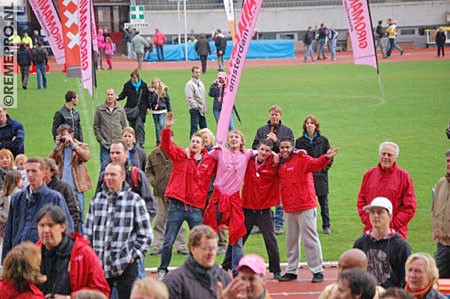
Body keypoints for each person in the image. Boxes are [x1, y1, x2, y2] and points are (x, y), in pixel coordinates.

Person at [157, 112, 215, 280]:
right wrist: (167, 128)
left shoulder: (209, 160)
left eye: (198, 141)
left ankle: (198, 269)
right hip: (177, 205)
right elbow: (167, 146)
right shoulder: (181, 156)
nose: (195, 143)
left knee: (200, 242)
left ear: (203, 144)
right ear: (189, 144)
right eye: (193, 141)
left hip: (195, 207)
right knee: (168, 241)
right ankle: (162, 270)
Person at [85, 162, 152, 299]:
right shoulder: (97, 200)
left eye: (113, 174)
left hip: (125, 265)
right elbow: (87, 232)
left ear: (122, 177)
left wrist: (133, 255)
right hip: (100, 265)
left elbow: (145, 234)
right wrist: (91, 256)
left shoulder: (135, 200)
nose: (109, 178)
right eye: (107, 175)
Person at [277, 138, 338, 283]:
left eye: (287, 147)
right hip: (289, 207)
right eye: (282, 148)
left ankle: (317, 270)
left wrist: (326, 157)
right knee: (291, 240)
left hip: (305, 205)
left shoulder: (301, 158)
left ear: (293, 147)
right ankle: (292, 270)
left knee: (310, 239)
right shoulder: (279, 161)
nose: (285, 150)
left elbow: (316, 164)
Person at [226, 138, 281, 279]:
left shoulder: (275, 164)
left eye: (267, 151)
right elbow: (236, 154)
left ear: (271, 152)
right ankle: (225, 265)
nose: (264, 153)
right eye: (262, 149)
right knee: (237, 238)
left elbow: (288, 153)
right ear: (258, 148)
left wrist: (278, 156)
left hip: (264, 210)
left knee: (270, 240)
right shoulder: (249, 160)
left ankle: (276, 271)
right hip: (248, 208)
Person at [203, 129, 255, 275]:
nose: (233, 139)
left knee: (237, 235)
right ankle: (208, 268)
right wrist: (212, 148)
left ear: (241, 141)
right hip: (218, 198)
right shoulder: (220, 152)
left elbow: (264, 153)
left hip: (234, 199)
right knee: (210, 233)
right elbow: (203, 156)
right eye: (231, 137)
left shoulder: (247, 154)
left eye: (236, 137)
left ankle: (237, 270)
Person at [2, 157, 74, 261]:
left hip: (44, 258)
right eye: (28, 171)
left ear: (43, 173)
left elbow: (67, 229)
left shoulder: (54, 198)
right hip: (18, 257)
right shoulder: (17, 198)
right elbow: (9, 231)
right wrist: (5, 260)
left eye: (34, 171)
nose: (30, 175)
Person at [36, 205, 110, 298]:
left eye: (51, 225)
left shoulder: (83, 253)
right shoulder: (32, 254)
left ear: (63, 227)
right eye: (42, 225)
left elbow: (102, 292)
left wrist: (69, 298)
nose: (46, 230)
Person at [163, 225, 246, 299]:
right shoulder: (175, 281)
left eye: (213, 249)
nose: (211, 253)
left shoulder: (223, 277)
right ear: (192, 248)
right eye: (206, 249)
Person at [357, 141, 417, 239]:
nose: (386, 157)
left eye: (389, 155)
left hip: (395, 234)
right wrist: (368, 220)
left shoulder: (404, 177)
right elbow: (361, 200)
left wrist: (391, 223)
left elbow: (409, 207)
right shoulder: (369, 175)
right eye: (383, 154)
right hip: (372, 231)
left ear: (395, 157)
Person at [252, 105, 294, 235]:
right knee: (264, 195)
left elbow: (290, 149)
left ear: (280, 116)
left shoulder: (287, 131)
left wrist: (277, 141)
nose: (274, 117)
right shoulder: (261, 130)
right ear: (269, 115)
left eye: (276, 115)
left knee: (280, 196)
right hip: (265, 168)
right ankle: (262, 222)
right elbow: (254, 147)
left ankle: (278, 223)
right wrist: (264, 145)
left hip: (281, 167)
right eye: (272, 114)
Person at [354, 197, 412, 288]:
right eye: (372, 212)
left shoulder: (400, 246)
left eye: (380, 212)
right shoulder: (360, 243)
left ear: (390, 216)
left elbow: (406, 279)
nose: (375, 216)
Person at [145, 142, 187, 256]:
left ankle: (181, 245)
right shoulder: (154, 154)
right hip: (160, 192)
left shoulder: (178, 153)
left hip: (176, 194)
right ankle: (158, 245)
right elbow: (148, 170)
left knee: (178, 219)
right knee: (160, 219)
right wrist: (153, 182)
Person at [295, 115, 333, 234]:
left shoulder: (323, 140)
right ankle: (306, 226)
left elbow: (329, 157)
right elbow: (298, 158)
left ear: (316, 126)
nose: (309, 125)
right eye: (307, 123)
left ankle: (326, 225)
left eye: (312, 123)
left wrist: (323, 169)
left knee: (323, 202)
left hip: (320, 176)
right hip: (306, 177)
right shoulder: (300, 141)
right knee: (306, 204)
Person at [49, 123, 92, 217]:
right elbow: (50, 162)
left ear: (71, 134)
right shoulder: (59, 148)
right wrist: (56, 147)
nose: (63, 137)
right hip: (61, 188)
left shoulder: (81, 146)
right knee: (59, 216)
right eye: (61, 136)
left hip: (76, 187)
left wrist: (73, 145)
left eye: (64, 134)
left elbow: (86, 157)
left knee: (79, 216)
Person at [319, 248, 385, 299]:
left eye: (347, 268)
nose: (341, 272)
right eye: (339, 266)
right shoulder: (329, 291)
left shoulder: (380, 294)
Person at [42, 158, 82, 232]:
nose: (42, 172)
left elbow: (73, 212)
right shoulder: (37, 189)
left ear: (52, 172)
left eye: (44, 169)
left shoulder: (64, 188)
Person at [93, 88, 128, 172]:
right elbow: (96, 127)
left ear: (115, 96)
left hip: (117, 144)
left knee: (119, 167)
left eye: (111, 94)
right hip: (105, 144)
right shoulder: (100, 110)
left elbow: (124, 126)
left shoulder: (120, 109)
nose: (110, 96)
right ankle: (102, 184)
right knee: (104, 168)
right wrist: (101, 140)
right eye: (108, 94)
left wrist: (122, 141)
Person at [117, 70, 150, 148]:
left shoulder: (143, 85)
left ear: (138, 77)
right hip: (131, 109)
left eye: (134, 78)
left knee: (139, 126)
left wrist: (148, 107)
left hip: (141, 110)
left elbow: (146, 97)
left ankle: (141, 143)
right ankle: (133, 143)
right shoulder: (127, 85)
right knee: (132, 127)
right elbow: (123, 94)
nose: (133, 80)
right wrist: (118, 97)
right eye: (132, 78)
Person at [432, 149, 450, 278]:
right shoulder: (441, 183)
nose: (449, 164)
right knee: (439, 281)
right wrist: (436, 232)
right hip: (442, 244)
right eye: (448, 161)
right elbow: (434, 210)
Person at [0, 170, 22, 258]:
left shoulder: (21, 193)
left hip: (18, 222)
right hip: (7, 222)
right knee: (7, 240)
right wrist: (4, 216)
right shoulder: (3, 194)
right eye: (20, 179)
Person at [185, 66, 208, 138]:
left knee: (204, 128)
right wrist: (196, 106)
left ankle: (205, 143)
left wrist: (204, 107)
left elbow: (204, 96)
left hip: (202, 109)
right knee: (194, 127)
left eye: (199, 72)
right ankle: (192, 142)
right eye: (196, 72)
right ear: (192, 73)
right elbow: (189, 97)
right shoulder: (189, 84)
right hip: (195, 109)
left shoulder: (201, 83)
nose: (198, 74)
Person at [148, 77, 172, 146]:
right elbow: (150, 101)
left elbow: (168, 101)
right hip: (155, 111)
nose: (155, 84)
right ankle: (158, 141)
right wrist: (152, 93)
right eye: (154, 83)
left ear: (159, 83)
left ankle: (162, 140)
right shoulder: (151, 92)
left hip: (162, 111)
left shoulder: (164, 91)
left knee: (161, 125)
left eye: (156, 82)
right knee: (157, 127)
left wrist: (170, 110)